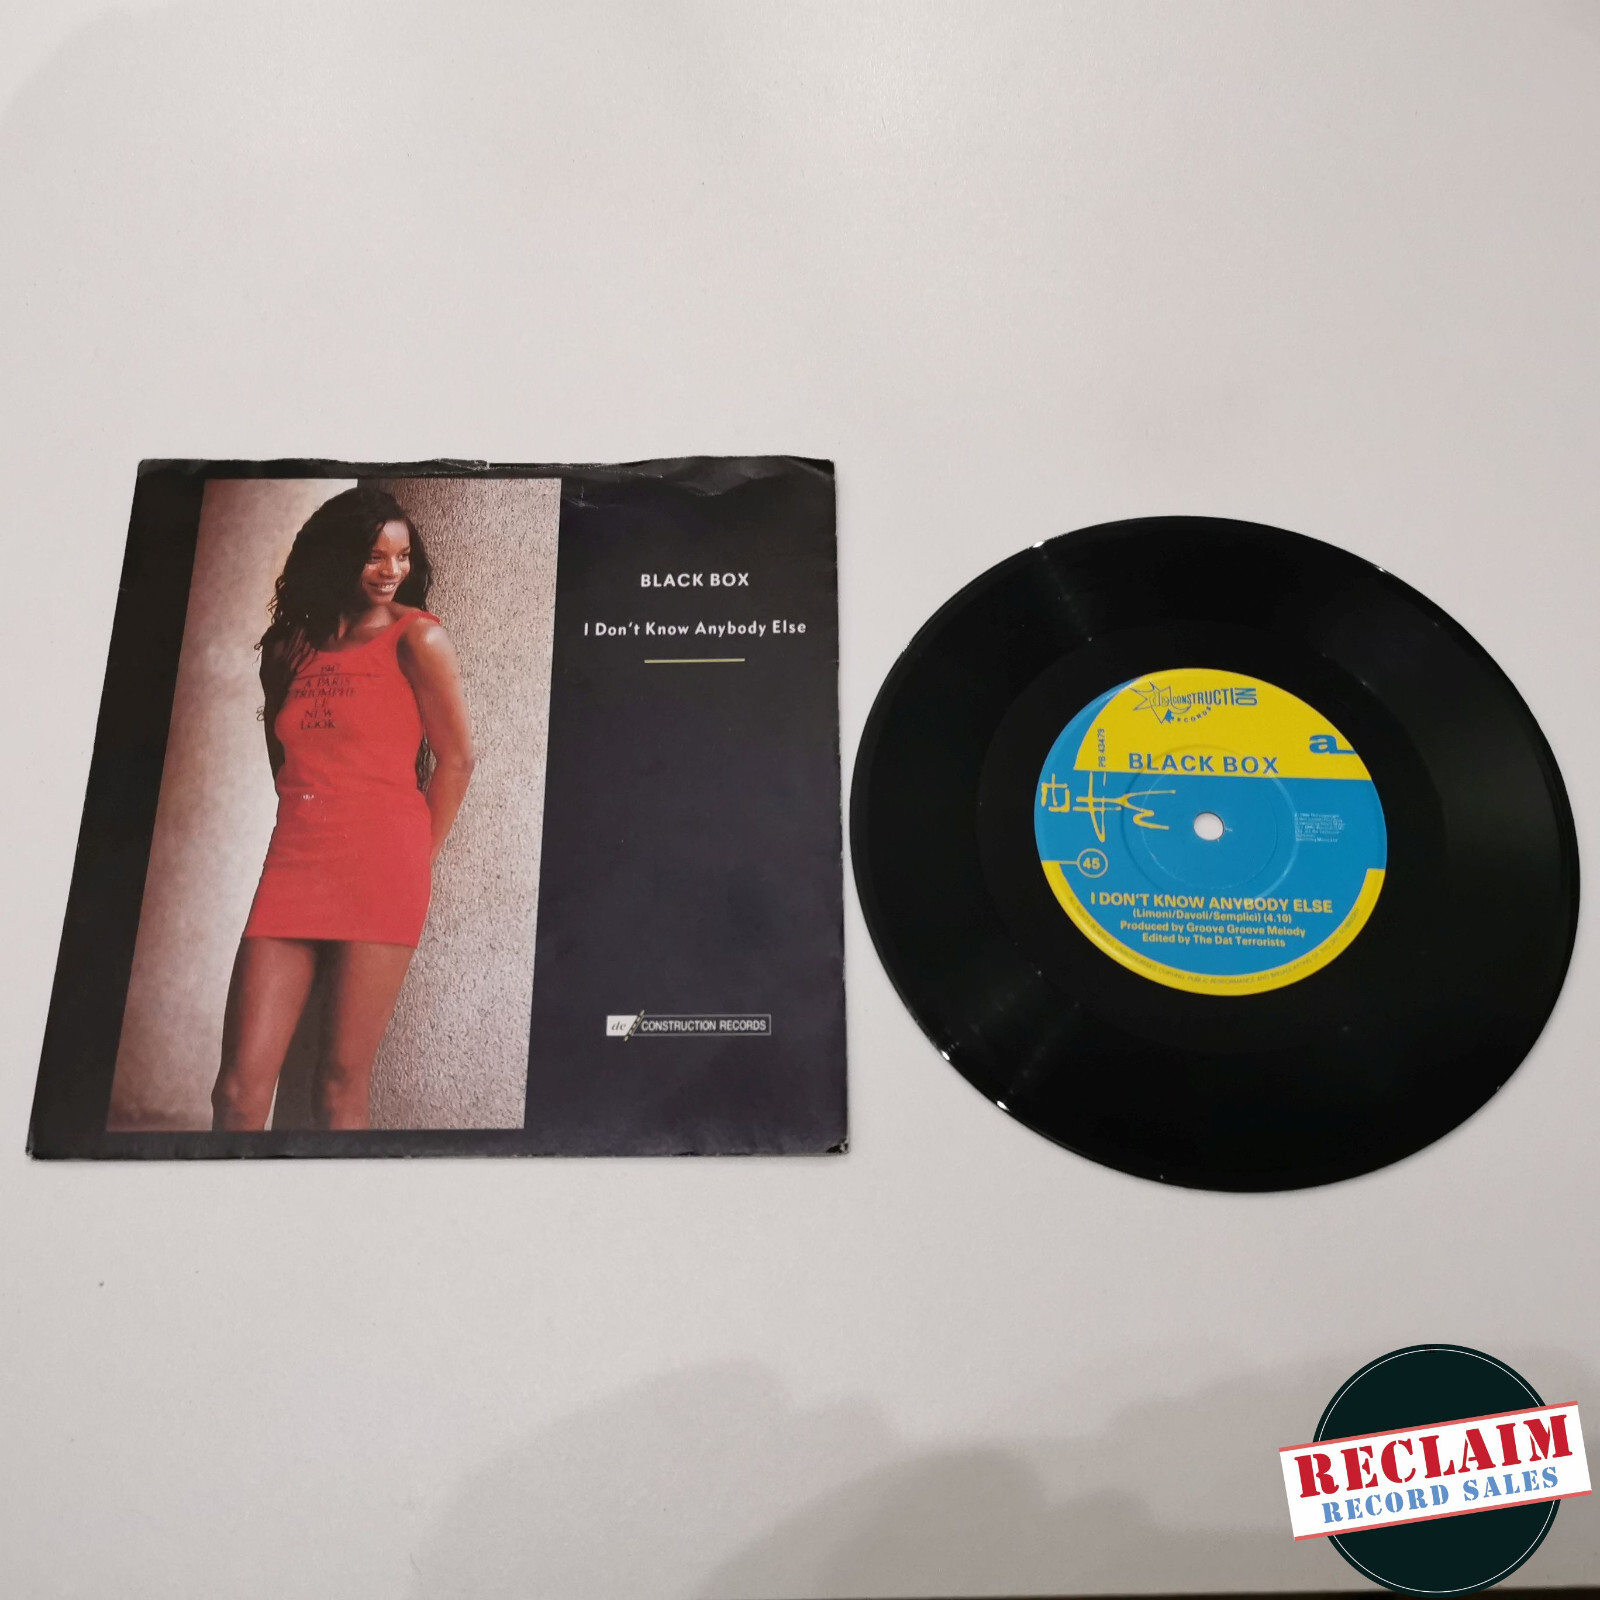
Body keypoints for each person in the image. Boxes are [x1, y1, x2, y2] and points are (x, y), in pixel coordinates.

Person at [211, 487, 474, 1131]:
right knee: (238, 1091)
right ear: (334, 557)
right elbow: (284, 764)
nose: (392, 571)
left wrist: (413, 861)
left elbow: (457, 761)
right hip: (297, 860)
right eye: (374, 556)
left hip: (384, 866)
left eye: (402, 556)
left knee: (339, 1084)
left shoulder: (419, 637)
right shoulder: (287, 648)